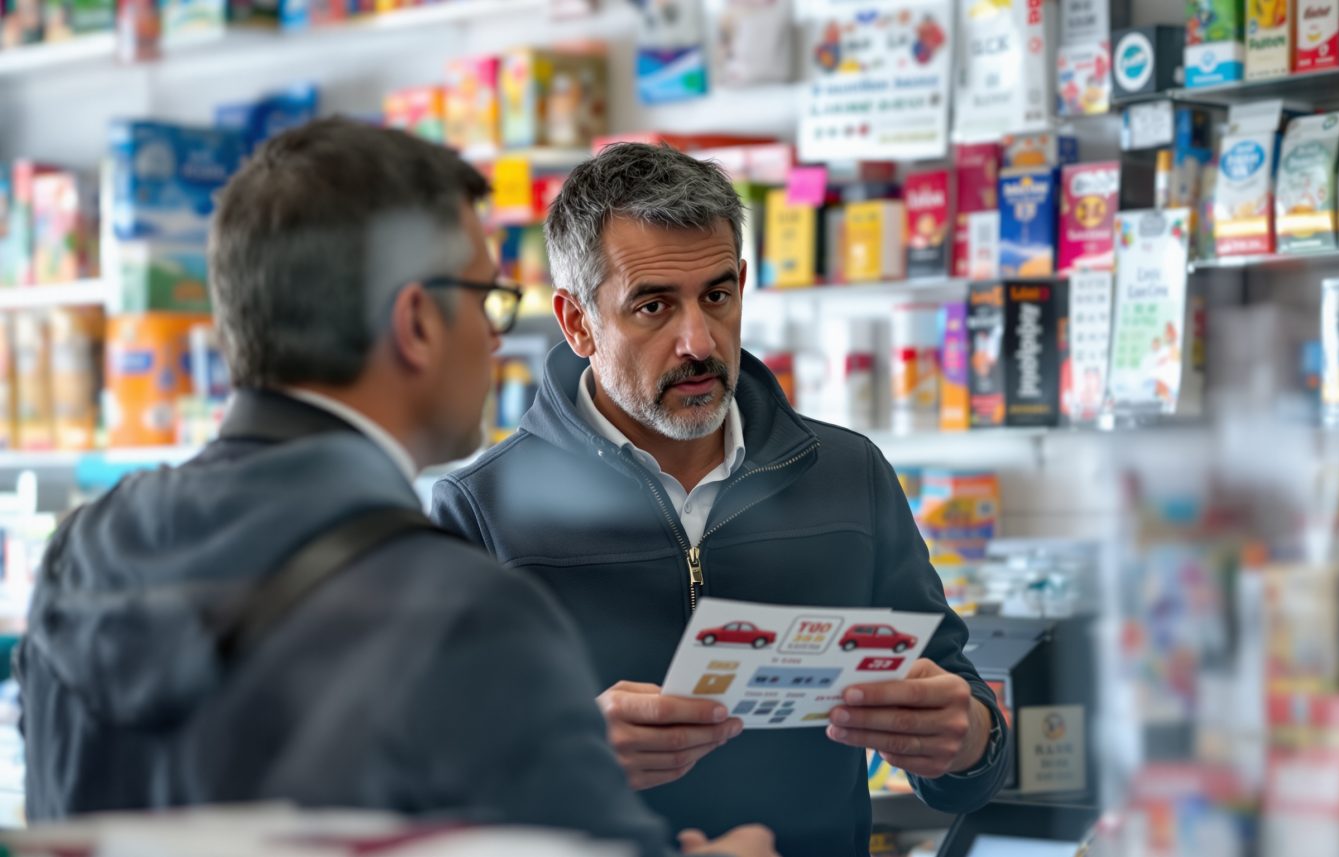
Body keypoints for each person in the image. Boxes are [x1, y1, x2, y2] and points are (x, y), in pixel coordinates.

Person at [15, 119, 774, 857]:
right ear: (416, 324)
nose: (493, 335)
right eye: (484, 299)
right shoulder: (455, 605)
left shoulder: (82, 550)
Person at [432, 143, 1010, 854]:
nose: (698, 342)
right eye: (653, 306)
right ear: (577, 322)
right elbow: (425, 790)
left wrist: (966, 739)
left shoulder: (847, 473)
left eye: (717, 295)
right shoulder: (480, 509)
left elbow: (968, 741)